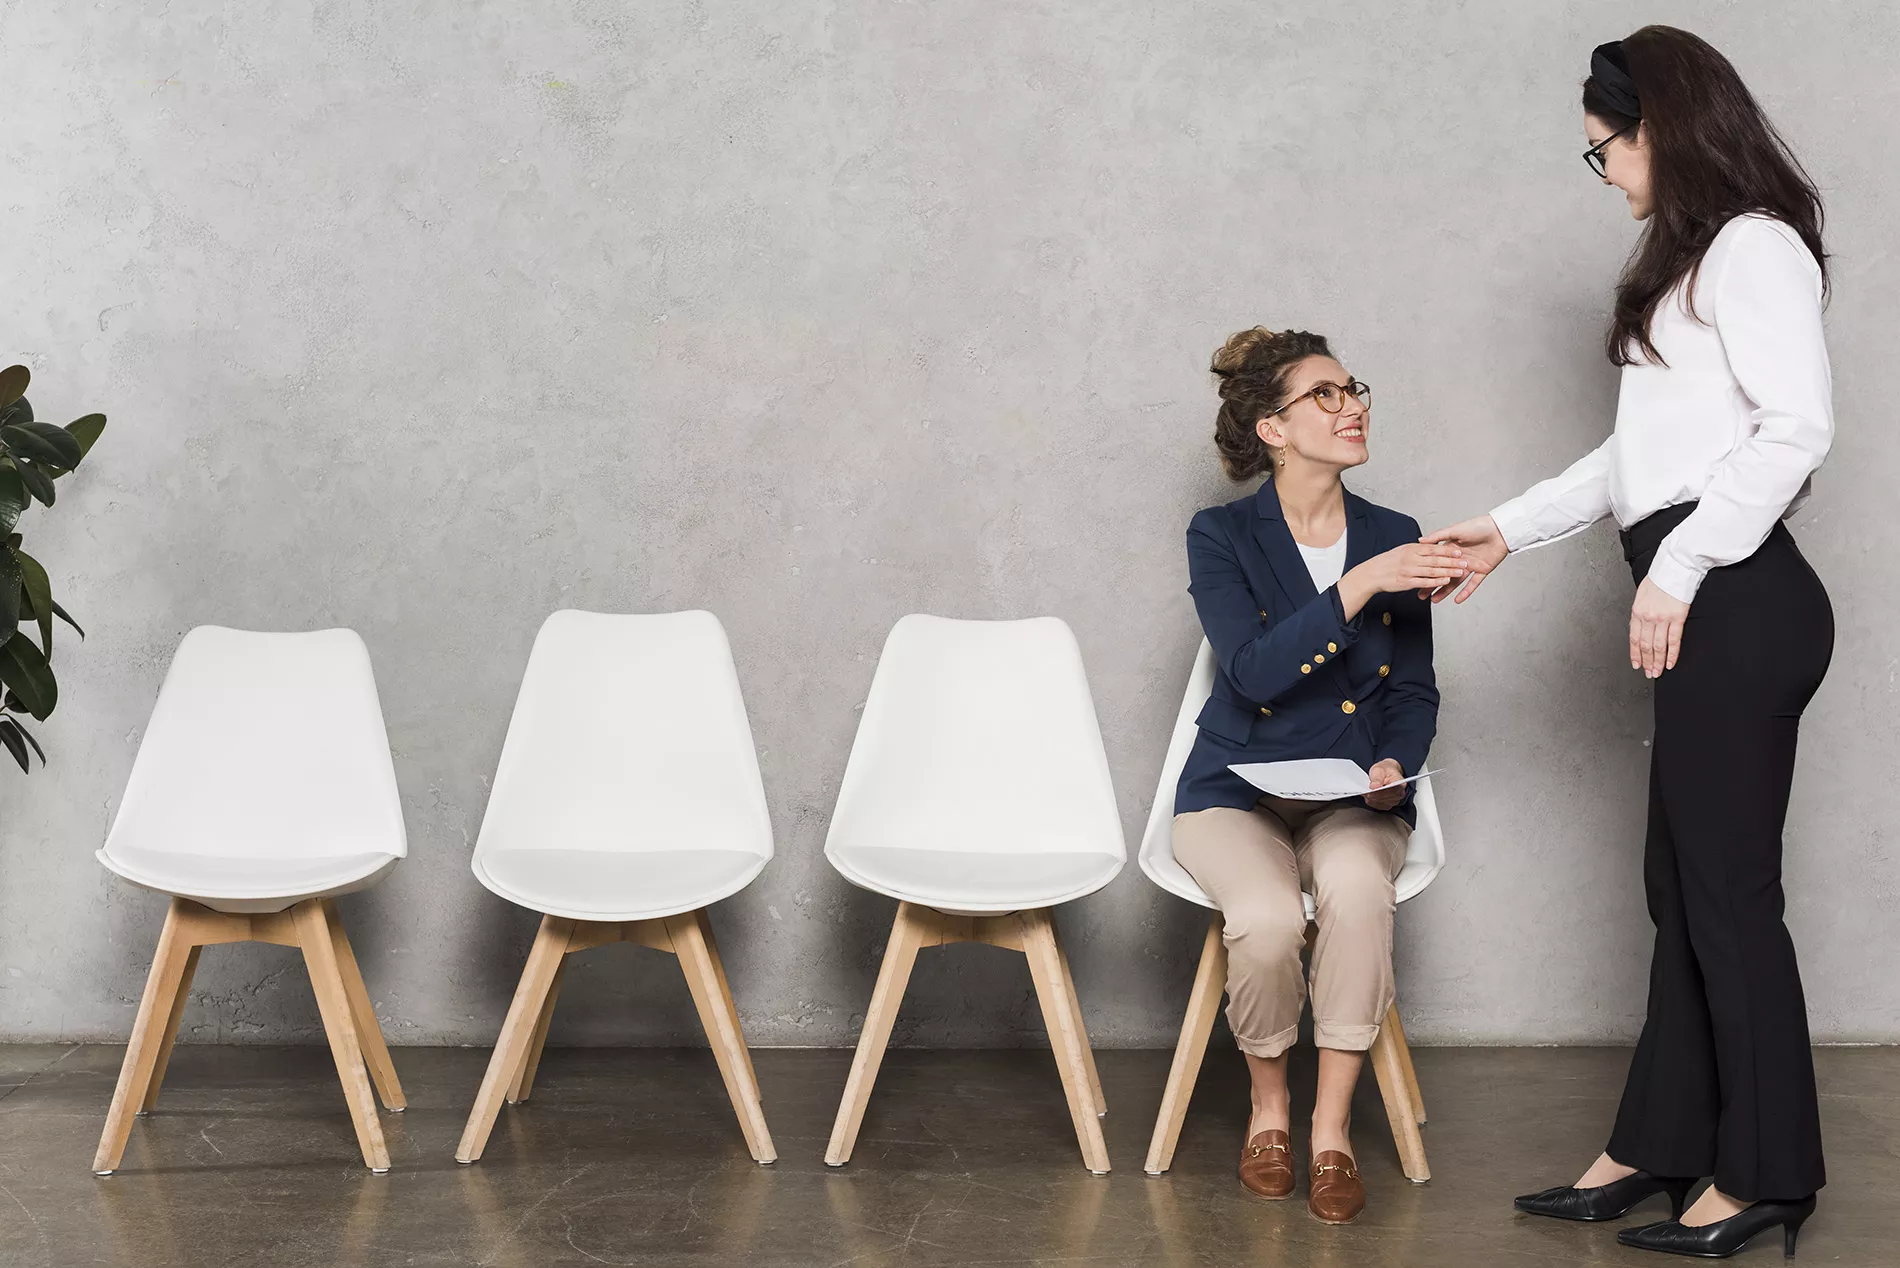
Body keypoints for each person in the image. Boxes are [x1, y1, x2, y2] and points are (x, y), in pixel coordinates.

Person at [1424, 27, 1834, 1260]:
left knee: (1724, 893)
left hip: (1742, 601)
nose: (1599, 168)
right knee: (1682, 886)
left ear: (1655, 125)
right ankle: (1659, 1144)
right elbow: (1634, 462)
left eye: (1601, 144)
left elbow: (1795, 428)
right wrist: (1504, 528)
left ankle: (1765, 1172)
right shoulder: (1687, 265)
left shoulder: (1753, 249)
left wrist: (1678, 567)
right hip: (1707, 592)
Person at [1171, 325, 1462, 1224]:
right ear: (1272, 428)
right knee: (1260, 921)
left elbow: (1413, 691)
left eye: (1355, 389)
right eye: (1326, 396)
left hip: (1355, 794)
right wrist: (1363, 583)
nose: (1353, 406)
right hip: (1235, 791)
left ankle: (1331, 1129)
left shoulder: (1394, 533)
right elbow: (1252, 672)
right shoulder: (1220, 534)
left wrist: (1393, 765)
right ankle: (1271, 1111)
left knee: (1357, 892)